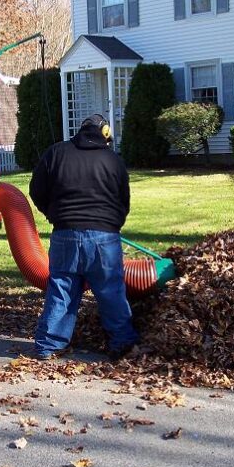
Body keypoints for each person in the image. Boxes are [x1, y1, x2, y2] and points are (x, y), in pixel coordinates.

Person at [29, 114, 138, 361]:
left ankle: (48, 347)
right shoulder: (113, 160)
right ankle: (123, 345)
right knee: (110, 291)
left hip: (65, 234)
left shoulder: (56, 153)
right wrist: (112, 224)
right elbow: (123, 200)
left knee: (62, 290)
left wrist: (55, 214)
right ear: (106, 134)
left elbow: (36, 190)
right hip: (104, 238)